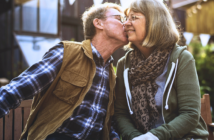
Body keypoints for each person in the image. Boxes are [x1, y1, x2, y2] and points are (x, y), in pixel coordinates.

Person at [0, 3, 128, 140]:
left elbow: (108, 125)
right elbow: (17, 89)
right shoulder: (67, 53)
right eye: (120, 18)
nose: (126, 24)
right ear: (98, 23)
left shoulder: (112, 76)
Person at [114, 0, 209, 140]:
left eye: (134, 18)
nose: (126, 23)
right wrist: (136, 137)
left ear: (154, 22)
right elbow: (120, 114)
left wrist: (153, 137)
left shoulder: (181, 59)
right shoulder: (124, 65)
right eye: (126, 18)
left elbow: (190, 114)